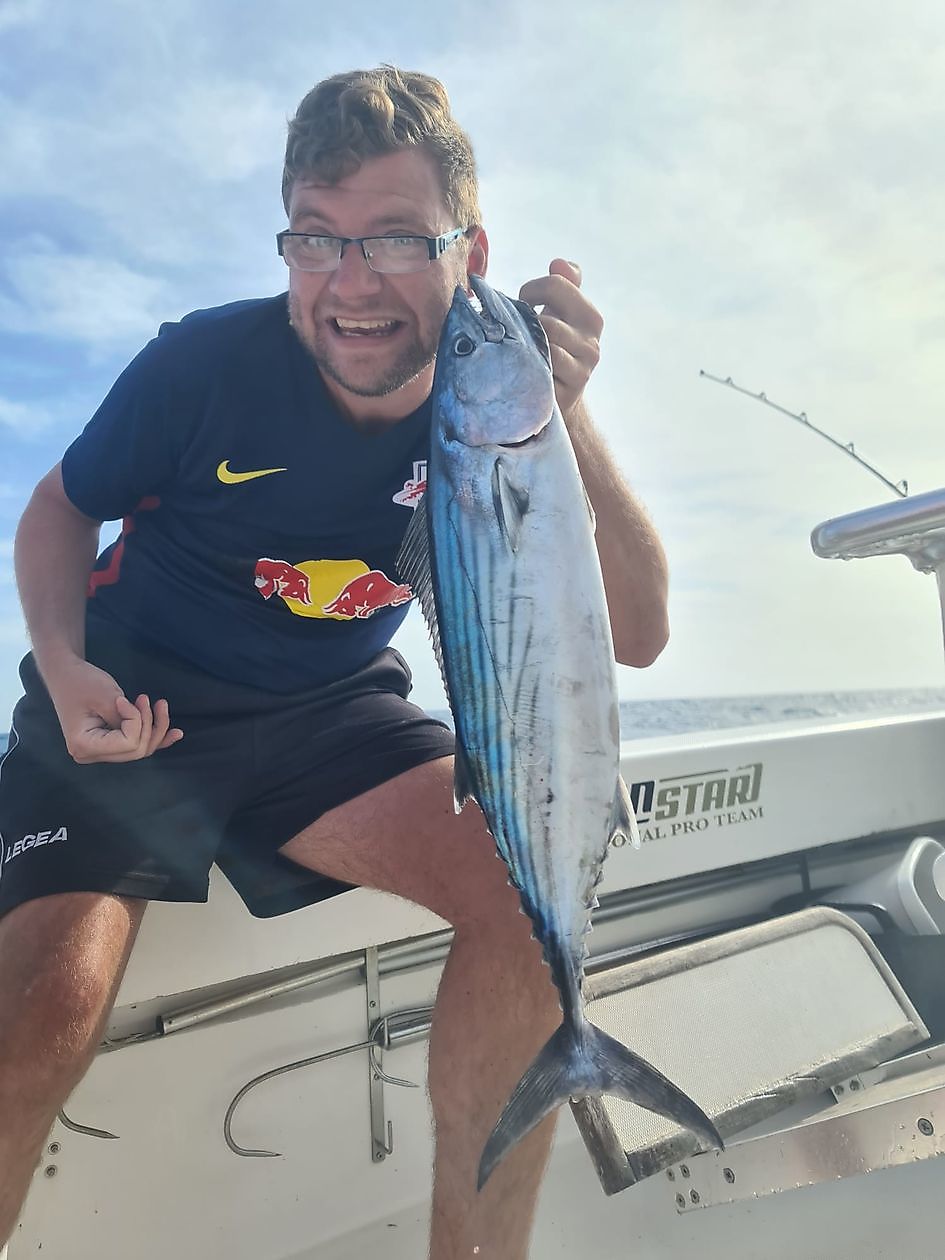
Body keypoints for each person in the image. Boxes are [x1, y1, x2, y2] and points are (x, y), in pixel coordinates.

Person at [0, 66, 669, 1258]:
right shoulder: (199, 368)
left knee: (527, 910)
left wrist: (564, 409)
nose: (352, 284)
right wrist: (60, 664)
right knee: (35, 1014)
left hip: (331, 715)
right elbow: (59, 506)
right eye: (316, 238)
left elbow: (639, 633)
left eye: (398, 238)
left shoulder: (500, 399)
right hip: (135, 711)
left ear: (469, 249)